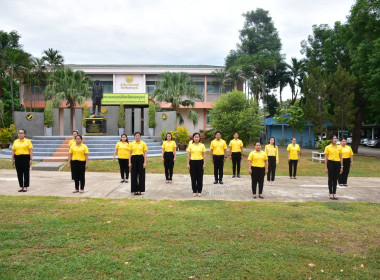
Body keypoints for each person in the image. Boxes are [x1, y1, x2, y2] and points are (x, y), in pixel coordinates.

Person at [325, 135, 343, 200]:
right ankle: (330, 193)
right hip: (330, 163)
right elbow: (326, 158)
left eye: (336, 138)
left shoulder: (339, 147)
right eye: (334, 138)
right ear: (331, 139)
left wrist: (341, 166)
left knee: (335, 179)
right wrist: (326, 167)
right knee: (331, 179)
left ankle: (334, 193)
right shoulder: (328, 147)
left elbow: (341, 157)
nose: (335, 140)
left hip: (337, 163)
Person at [187, 132, 206, 197]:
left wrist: (204, 163)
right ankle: (194, 191)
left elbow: (204, 155)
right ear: (193, 138)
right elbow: (189, 155)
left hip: (200, 162)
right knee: (193, 177)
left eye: (197, 137)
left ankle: (199, 191)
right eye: (195, 137)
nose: (196, 138)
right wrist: (188, 164)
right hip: (192, 162)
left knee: (200, 177)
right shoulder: (190, 145)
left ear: (199, 138)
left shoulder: (202, 145)